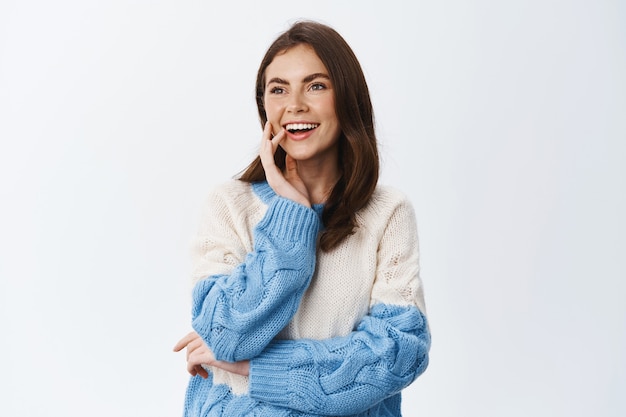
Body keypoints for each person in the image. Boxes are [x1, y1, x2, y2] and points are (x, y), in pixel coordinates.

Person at [173, 20, 430, 416]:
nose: (294, 105)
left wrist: (251, 369)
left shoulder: (387, 213)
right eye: (278, 89)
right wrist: (291, 214)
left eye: (316, 86)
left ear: (346, 98)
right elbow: (226, 334)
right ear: (264, 106)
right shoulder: (229, 204)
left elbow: (397, 355)